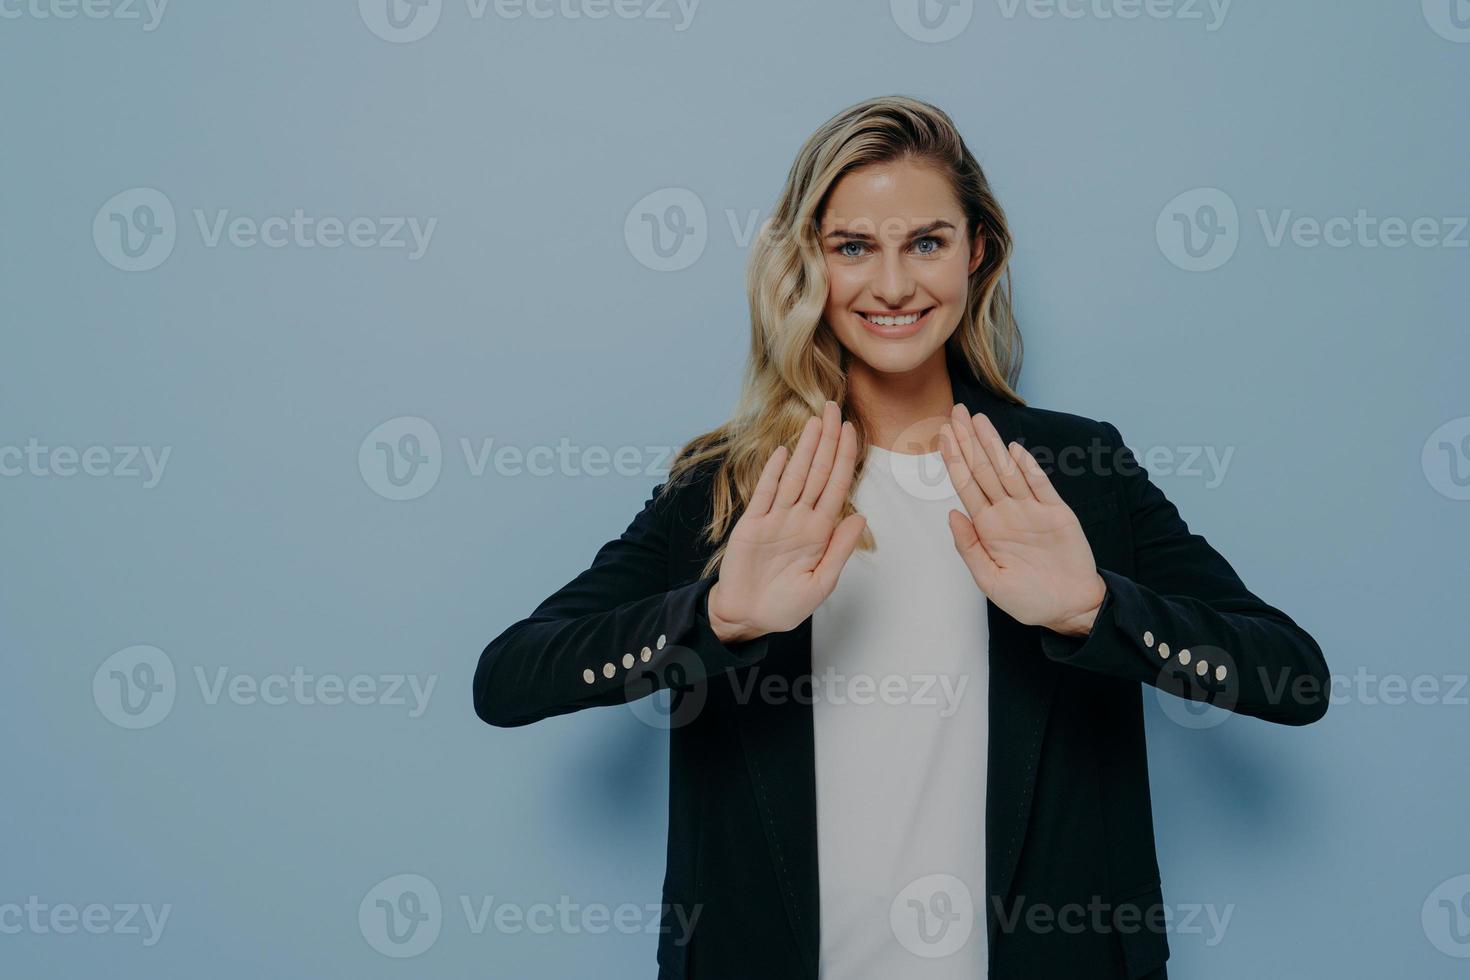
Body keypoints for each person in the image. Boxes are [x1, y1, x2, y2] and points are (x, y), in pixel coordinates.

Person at [473, 95, 1330, 980]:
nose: (892, 286)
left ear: (976, 253)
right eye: (853, 248)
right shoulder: (730, 488)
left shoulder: (1076, 471)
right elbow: (508, 678)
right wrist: (714, 619)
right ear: (808, 263)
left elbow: (1292, 678)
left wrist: (1097, 611)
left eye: (926, 242)